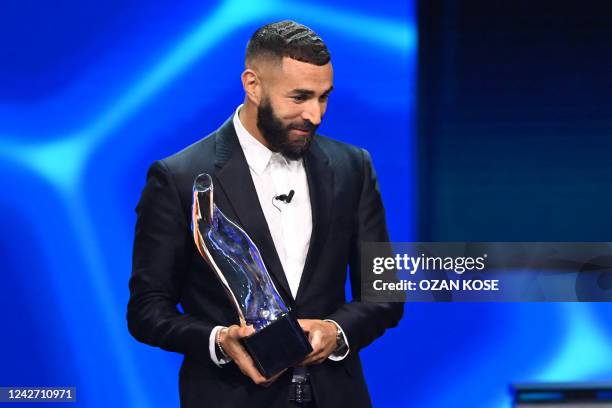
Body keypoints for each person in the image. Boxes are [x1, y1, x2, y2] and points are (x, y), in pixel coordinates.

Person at [127, 20, 403, 408]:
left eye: (324, 97)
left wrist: (336, 331)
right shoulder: (180, 178)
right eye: (300, 97)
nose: (316, 115)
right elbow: (147, 309)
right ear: (253, 85)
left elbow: (384, 294)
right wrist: (220, 340)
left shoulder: (352, 167)